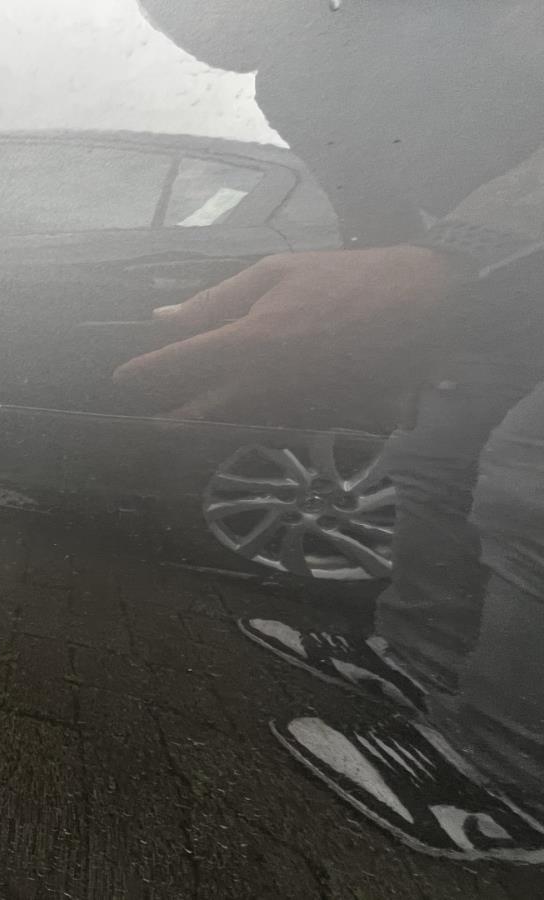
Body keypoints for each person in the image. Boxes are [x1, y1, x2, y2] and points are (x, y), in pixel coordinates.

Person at [121, 0, 544, 860]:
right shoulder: (291, 86)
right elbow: (377, 216)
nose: (188, 26)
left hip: (494, 264)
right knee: (430, 454)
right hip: (504, 293)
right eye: (164, 17)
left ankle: (509, 775)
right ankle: (419, 659)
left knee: (526, 482)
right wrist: (390, 321)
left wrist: (454, 257)